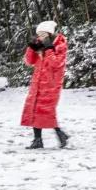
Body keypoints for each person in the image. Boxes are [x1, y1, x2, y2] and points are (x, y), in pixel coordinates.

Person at [20, 20, 69, 149]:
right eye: (38, 35)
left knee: (46, 111)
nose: (40, 37)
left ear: (49, 34)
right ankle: (38, 140)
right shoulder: (40, 46)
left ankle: (59, 134)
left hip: (51, 85)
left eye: (42, 34)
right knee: (35, 110)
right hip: (37, 84)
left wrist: (48, 50)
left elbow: (56, 64)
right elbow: (30, 62)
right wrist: (31, 48)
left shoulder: (60, 46)